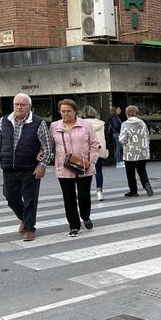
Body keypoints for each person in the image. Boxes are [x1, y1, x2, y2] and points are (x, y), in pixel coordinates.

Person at [0, 93, 52, 242]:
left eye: (22, 104)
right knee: (10, 197)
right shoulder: (4, 121)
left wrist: (42, 165)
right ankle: (23, 218)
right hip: (9, 167)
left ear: (29, 107)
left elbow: (48, 147)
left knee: (30, 199)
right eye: (16, 104)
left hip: (30, 168)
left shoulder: (38, 123)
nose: (19, 107)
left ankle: (29, 228)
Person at [51, 99, 99, 237]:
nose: (65, 114)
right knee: (68, 197)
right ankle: (74, 225)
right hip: (64, 167)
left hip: (84, 166)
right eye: (63, 111)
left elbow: (95, 145)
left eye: (68, 111)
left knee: (84, 196)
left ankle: (85, 216)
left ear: (75, 112)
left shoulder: (86, 125)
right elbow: (49, 144)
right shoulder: (54, 126)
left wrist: (91, 162)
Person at [120, 105, 153, 197]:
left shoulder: (125, 124)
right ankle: (146, 185)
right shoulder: (142, 123)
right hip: (143, 151)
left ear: (127, 113)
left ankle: (133, 191)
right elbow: (147, 136)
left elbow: (122, 139)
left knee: (130, 172)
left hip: (130, 152)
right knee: (142, 170)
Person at [81, 106, 109, 200]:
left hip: (86, 150)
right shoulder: (100, 123)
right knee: (98, 171)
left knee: (83, 172)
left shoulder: (82, 123)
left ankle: (83, 192)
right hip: (99, 149)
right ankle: (99, 192)